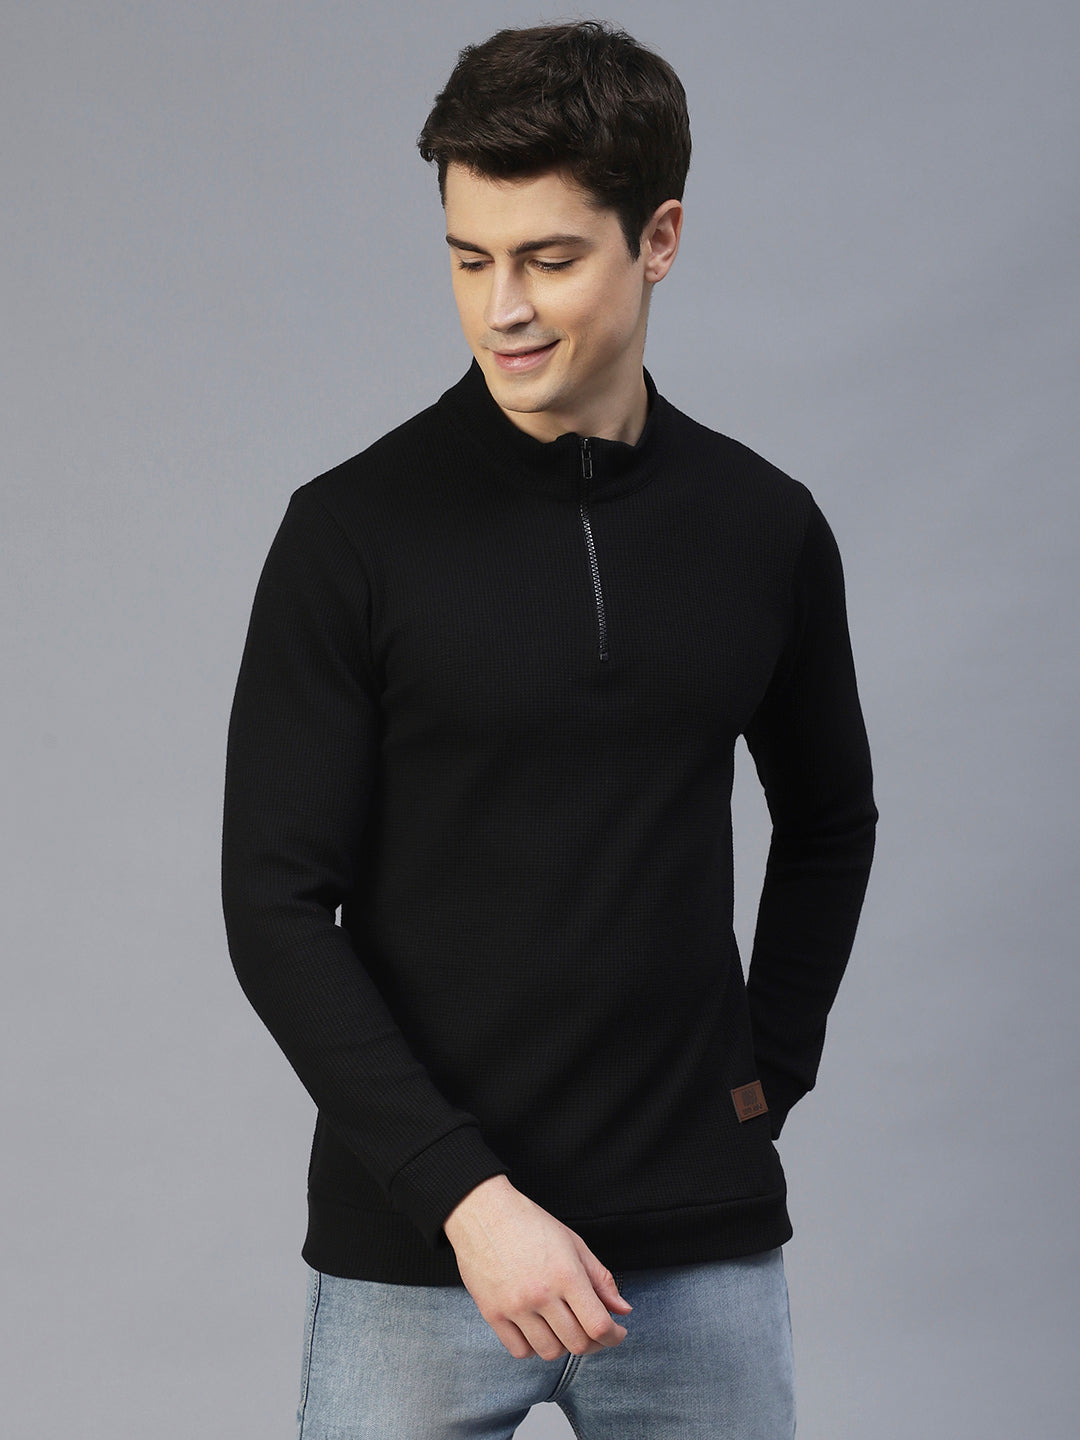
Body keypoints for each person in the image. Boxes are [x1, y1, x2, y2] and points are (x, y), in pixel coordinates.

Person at [221, 20, 877, 1439]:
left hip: (695, 1254)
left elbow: (832, 821)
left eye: (549, 259)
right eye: (470, 260)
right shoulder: (350, 533)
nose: (501, 309)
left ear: (660, 240)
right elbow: (272, 904)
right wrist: (468, 1198)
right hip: (419, 1261)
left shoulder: (764, 527)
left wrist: (768, 1072)